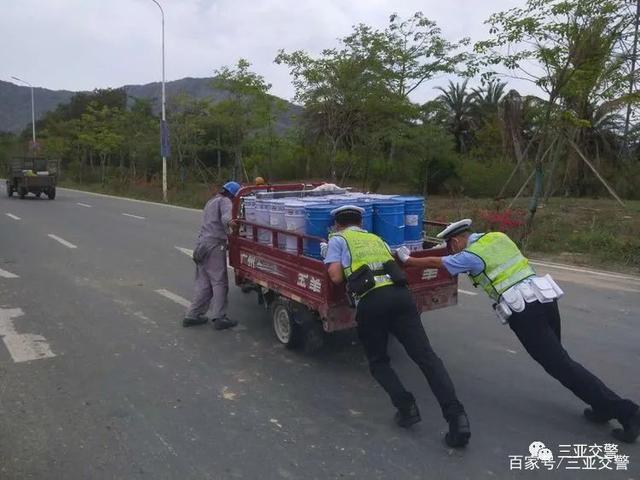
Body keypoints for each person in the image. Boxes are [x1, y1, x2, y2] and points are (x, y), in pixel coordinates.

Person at [396, 219, 640, 443]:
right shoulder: (498, 237)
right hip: (545, 299)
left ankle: (627, 412)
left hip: (525, 311)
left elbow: (436, 262)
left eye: (451, 246)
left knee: (560, 365)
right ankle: (601, 405)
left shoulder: (471, 255)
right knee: (562, 361)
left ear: (457, 240)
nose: (452, 250)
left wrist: (408, 260)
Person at [322, 205, 471, 448]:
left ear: (338, 224)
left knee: (379, 361)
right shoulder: (377, 239)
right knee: (427, 358)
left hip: (371, 303)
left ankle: (407, 408)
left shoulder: (338, 240)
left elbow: (336, 277)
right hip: (402, 297)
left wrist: (328, 254)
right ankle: (458, 419)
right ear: (362, 223)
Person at [183, 181, 241, 330]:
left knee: (204, 283)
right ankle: (219, 317)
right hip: (214, 245)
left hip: (201, 245)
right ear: (233, 195)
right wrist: (234, 224)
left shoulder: (211, 201)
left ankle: (192, 315)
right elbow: (227, 219)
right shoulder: (226, 201)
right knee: (219, 282)